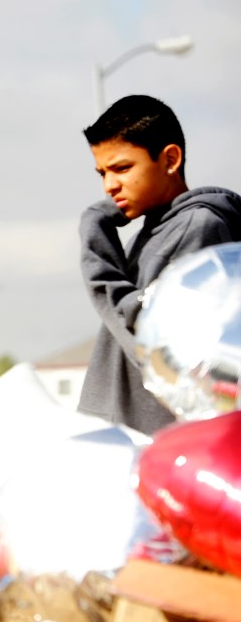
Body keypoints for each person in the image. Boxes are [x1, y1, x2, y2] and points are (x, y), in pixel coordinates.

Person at [78, 94, 241, 435]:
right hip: (135, 438)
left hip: (149, 442)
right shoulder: (158, 229)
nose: (110, 186)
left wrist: (95, 235)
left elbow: (151, 342)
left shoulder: (197, 227)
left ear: (170, 159)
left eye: (122, 168)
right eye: (102, 173)